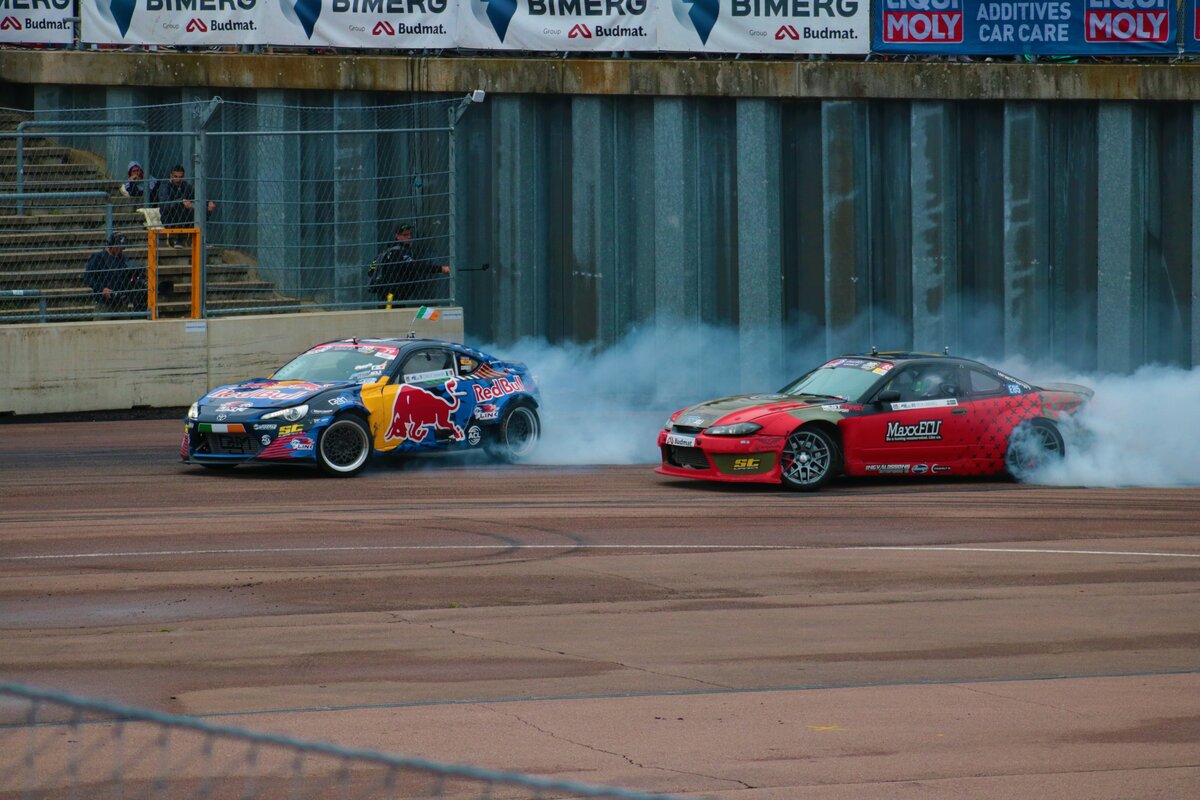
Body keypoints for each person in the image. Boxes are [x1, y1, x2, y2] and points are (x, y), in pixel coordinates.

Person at [367, 224, 450, 306]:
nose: (409, 237)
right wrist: (441, 269)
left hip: (392, 294)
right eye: (405, 235)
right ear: (397, 236)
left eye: (410, 234)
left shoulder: (386, 252)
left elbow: (371, 270)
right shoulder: (399, 253)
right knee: (390, 314)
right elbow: (416, 266)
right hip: (391, 296)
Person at [150, 164, 216, 247]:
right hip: (169, 218)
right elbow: (165, 206)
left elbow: (197, 197)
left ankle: (201, 240)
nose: (178, 179)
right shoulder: (165, 187)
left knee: (201, 209)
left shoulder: (186, 186)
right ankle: (179, 239)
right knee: (182, 206)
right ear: (171, 175)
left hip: (185, 216)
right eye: (175, 176)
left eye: (180, 177)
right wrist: (180, 201)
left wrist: (208, 202)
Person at [84, 232, 147, 313]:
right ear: (111, 245)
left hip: (122, 301)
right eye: (117, 247)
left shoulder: (123, 258)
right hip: (104, 303)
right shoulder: (98, 257)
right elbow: (88, 277)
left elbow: (129, 278)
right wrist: (101, 289)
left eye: (122, 248)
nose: (120, 250)